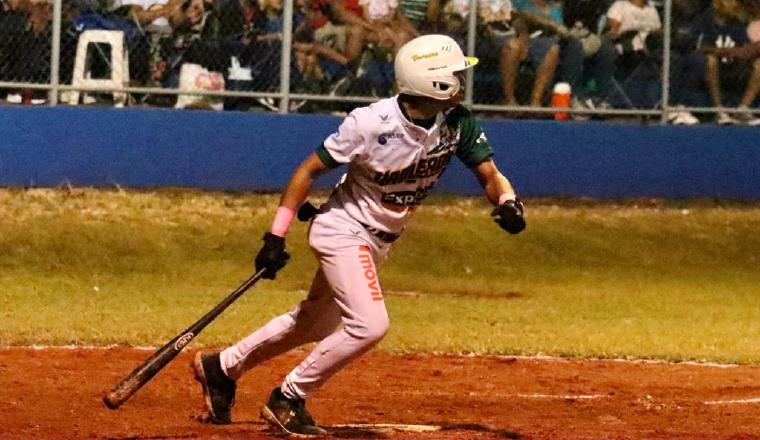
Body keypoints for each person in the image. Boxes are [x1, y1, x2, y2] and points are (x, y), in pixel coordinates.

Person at [191, 34, 526, 438]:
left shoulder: (457, 122)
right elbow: (308, 172)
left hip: (379, 239)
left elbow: (489, 174)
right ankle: (289, 398)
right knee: (369, 325)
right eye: (454, 73)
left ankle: (222, 367)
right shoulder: (370, 123)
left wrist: (507, 201)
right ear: (433, 83)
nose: (461, 79)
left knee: (314, 324)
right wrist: (275, 236)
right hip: (343, 230)